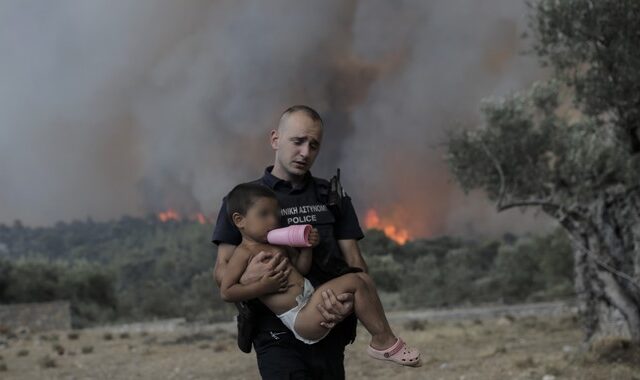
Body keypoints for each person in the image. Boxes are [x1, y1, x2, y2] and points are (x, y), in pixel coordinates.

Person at [212, 105, 368, 379]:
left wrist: (348, 304)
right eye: (298, 141)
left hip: (327, 327)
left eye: (314, 145)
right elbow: (221, 270)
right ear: (275, 139)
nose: (305, 152)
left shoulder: (332, 197)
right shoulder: (245, 201)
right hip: (275, 334)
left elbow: (355, 262)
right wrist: (253, 277)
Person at [219, 183, 421, 367]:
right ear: (240, 220)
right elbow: (227, 292)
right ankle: (382, 340)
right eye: (264, 214)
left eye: (275, 214)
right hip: (299, 317)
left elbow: (301, 269)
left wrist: (307, 247)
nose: (273, 220)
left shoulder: (278, 243)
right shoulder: (243, 253)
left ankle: (382, 337)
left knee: (362, 279)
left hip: (311, 299)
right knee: (354, 281)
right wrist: (264, 287)